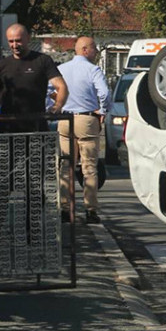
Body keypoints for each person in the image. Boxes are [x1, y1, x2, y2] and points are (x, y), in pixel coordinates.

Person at [57, 36, 111, 224]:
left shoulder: (62, 69)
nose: (96, 52)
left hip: (64, 118)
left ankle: (65, 209)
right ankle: (91, 210)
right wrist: (103, 110)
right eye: (94, 48)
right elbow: (104, 93)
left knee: (66, 166)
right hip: (86, 119)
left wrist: (54, 108)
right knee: (89, 167)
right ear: (85, 49)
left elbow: (49, 91)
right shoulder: (93, 69)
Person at [0, 23, 68, 133]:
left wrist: (57, 106)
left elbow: (61, 86)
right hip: (8, 128)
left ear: (28, 38)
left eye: (18, 40)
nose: (15, 45)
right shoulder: (1, 65)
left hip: (36, 126)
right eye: (11, 41)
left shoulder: (43, 60)